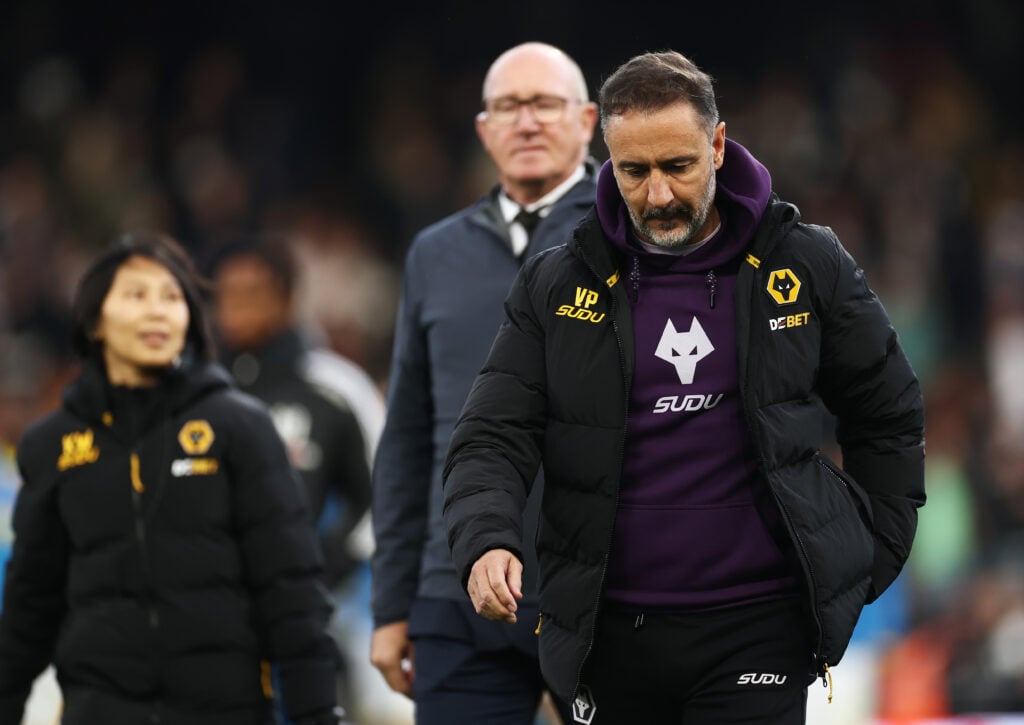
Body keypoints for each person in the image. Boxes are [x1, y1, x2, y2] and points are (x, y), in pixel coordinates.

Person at [442, 50, 926, 723]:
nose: (659, 195)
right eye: (635, 171)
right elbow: (493, 433)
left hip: (758, 629)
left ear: (718, 145)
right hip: (604, 636)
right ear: (608, 158)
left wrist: (869, 553)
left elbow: (889, 412)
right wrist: (487, 536)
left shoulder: (807, 263)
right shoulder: (557, 284)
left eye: (678, 166)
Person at [0, 231, 346, 725]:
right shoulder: (50, 445)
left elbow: (291, 595)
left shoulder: (239, 427)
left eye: (172, 297)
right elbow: (28, 608)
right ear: (95, 320)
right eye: (136, 295)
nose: (158, 311)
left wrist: (318, 714)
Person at [369, 41, 598, 724]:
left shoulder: (630, 235)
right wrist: (390, 604)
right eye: (508, 106)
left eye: (545, 105)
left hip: (598, 587)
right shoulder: (434, 253)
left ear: (587, 120)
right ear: (483, 128)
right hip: (455, 592)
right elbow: (407, 438)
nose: (526, 122)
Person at [207, 235, 385, 718]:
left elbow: (385, 492)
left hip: (304, 626)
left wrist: (321, 568)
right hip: (204, 624)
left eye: (252, 293)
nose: (236, 308)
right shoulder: (196, 389)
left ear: (286, 298)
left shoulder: (335, 386)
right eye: (226, 294)